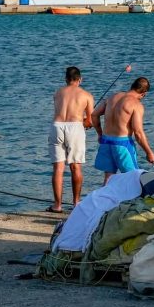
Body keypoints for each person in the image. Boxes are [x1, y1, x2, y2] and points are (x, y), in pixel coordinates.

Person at [91, 76, 154, 184]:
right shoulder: (136, 104)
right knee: (133, 178)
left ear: (132, 86)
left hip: (106, 141)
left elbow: (94, 115)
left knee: (109, 178)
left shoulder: (112, 97)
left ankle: (104, 200)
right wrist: (149, 152)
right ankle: (133, 200)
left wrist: (100, 134)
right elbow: (138, 133)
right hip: (122, 144)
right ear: (144, 94)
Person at [48, 66, 95, 212]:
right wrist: (85, 122)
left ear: (66, 79)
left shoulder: (57, 93)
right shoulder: (86, 95)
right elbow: (90, 121)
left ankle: (57, 205)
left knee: (58, 168)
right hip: (75, 127)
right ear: (80, 79)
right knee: (75, 167)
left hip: (57, 126)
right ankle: (76, 203)